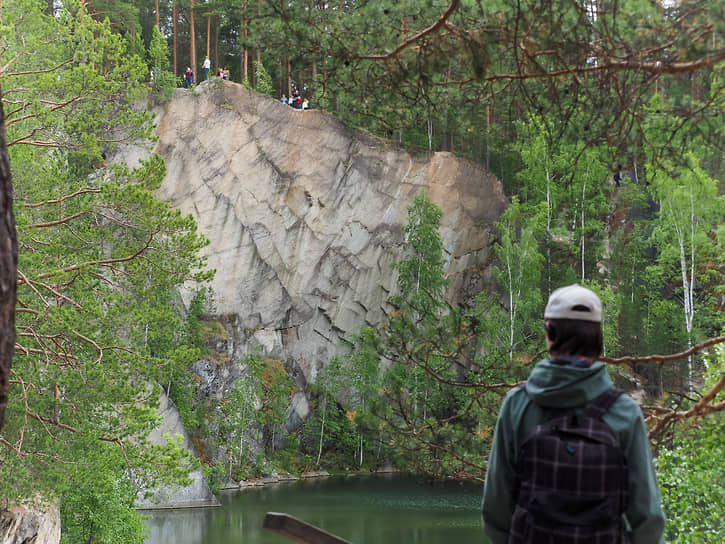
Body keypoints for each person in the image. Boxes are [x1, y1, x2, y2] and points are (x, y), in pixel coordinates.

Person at [482, 284, 665, 544]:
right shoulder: (624, 412)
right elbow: (648, 517)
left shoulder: (518, 405)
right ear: (598, 338)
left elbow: (495, 508)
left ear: (549, 332)